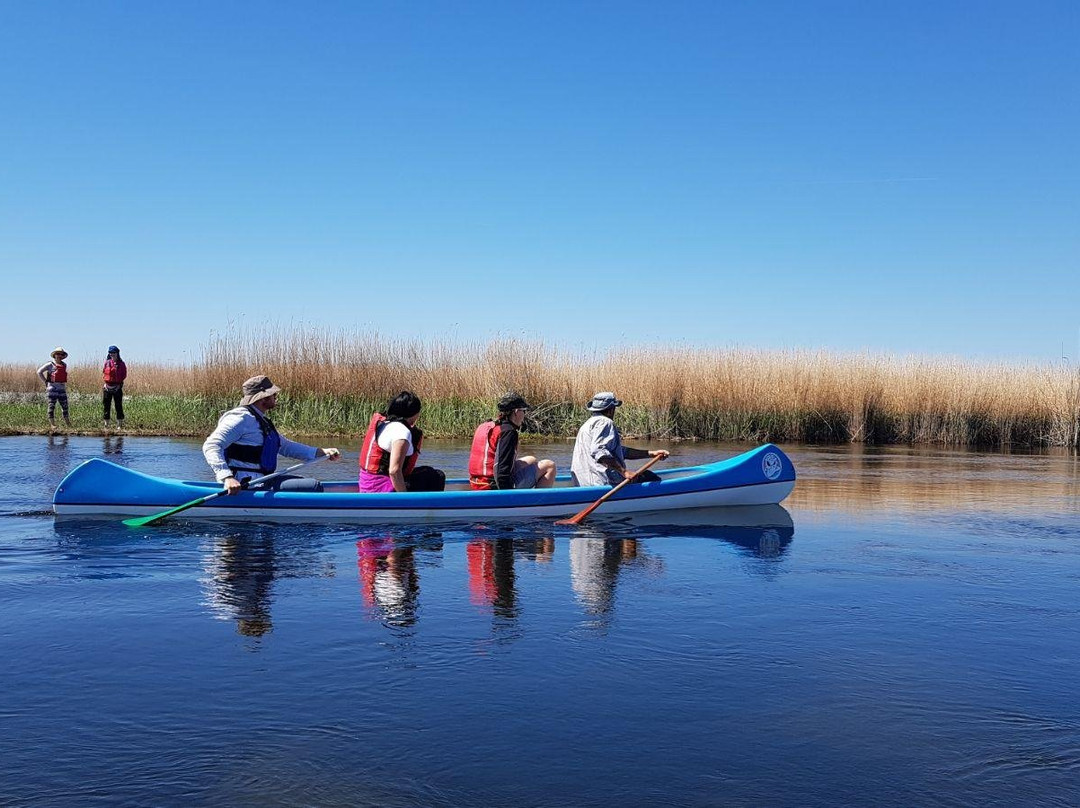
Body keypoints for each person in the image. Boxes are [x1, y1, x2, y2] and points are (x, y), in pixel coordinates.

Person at [202, 374, 341, 495]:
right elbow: (211, 445)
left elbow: (285, 446)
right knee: (313, 486)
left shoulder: (260, 420)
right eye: (273, 395)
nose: (276, 397)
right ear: (263, 398)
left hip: (262, 480)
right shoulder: (240, 418)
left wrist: (321, 452)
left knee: (308, 484)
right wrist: (227, 477)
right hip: (245, 485)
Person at [570, 392, 669, 487]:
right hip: (600, 482)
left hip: (582, 482)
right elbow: (599, 451)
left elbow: (620, 452)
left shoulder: (587, 424)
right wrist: (624, 472)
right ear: (610, 410)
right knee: (649, 477)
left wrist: (651, 453)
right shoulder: (606, 422)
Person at [358, 391, 445, 493]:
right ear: (414, 413)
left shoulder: (385, 424)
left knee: (426, 471)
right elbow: (394, 471)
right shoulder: (402, 432)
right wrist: (404, 498)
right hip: (382, 488)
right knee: (436, 476)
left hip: (367, 485)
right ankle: (428, 508)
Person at [468, 393, 556, 490]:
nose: (524, 415)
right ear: (516, 412)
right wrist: (508, 496)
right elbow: (501, 471)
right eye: (524, 411)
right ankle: (537, 503)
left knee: (531, 459)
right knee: (549, 466)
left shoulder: (487, 425)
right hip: (492, 488)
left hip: (476, 482)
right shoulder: (508, 432)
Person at [37, 347, 71, 429]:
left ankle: (68, 424)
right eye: (58, 354)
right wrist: (45, 381)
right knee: (51, 406)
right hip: (52, 388)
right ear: (54, 355)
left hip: (61, 388)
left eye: (61, 354)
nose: (59, 356)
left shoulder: (64, 365)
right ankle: (52, 424)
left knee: (65, 406)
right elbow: (39, 372)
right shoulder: (49, 364)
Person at [102, 345, 127, 431]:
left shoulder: (121, 364)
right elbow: (104, 373)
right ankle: (106, 425)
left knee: (118, 406)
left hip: (117, 387)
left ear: (117, 353)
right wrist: (105, 384)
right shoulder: (107, 362)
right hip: (107, 387)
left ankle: (119, 425)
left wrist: (119, 385)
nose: (112, 354)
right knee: (106, 406)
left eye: (114, 353)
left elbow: (124, 375)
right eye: (110, 353)